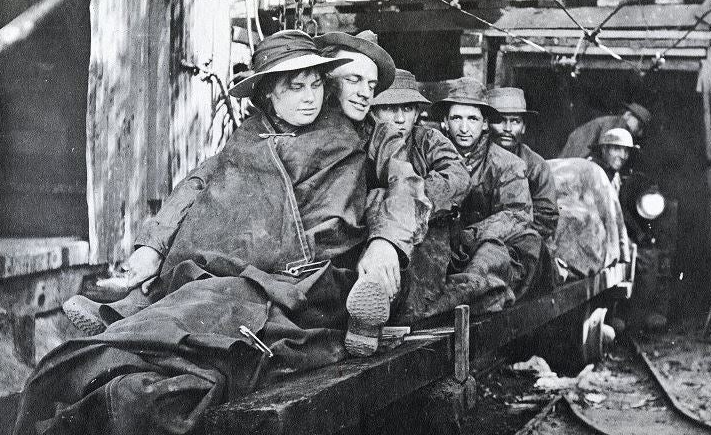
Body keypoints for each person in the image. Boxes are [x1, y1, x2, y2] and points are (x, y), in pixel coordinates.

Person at [23, 30, 429, 435]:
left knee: (214, 298)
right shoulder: (251, 135)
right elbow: (203, 183)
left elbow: (405, 186)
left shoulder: (367, 135)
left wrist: (386, 244)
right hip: (239, 258)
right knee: (199, 285)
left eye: (369, 85)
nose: (357, 93)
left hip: (306, 270)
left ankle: (126, 324)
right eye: (351, 79)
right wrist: (151, 246)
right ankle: (131, 315)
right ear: (270, 93)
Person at [368, 69, 472, 322]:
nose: (401, 119)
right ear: (374, 111)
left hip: (426, 236)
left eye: (408, 109)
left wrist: (410, 199)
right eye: (391, 109)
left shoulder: (429, 139)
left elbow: (457, 177)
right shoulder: (364, 141)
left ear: (417, 113)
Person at [432, 77, 541, 311]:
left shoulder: (508, 164)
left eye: (472, 119)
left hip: (495, 248)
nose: (463, 128)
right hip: (448, 251)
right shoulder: (431, 158)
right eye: (456, 118)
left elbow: (516, 216)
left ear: (484, 124)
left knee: (489, 260)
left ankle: (459, 298)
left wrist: (468, 238)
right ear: (444, 122)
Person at [487, 87, 559, 242]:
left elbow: (546, 218)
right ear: (486, 123)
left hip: (518, 242)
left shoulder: (537, 167)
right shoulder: (476, 158)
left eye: (515, 121)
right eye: (499, 120)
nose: (507, 128)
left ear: (524, 127)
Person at [559, 102, 651, 159]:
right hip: (580, 148)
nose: (640, 132)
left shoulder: (617, 123)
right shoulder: (616, 123)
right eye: (639, 125)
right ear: (628, 115)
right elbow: (604, 147)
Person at [587, 127, 638, 193]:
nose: (623, 156)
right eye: (617, 149)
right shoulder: (588, 170)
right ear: (604, 149)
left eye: (626, 151)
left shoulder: (616, 177)